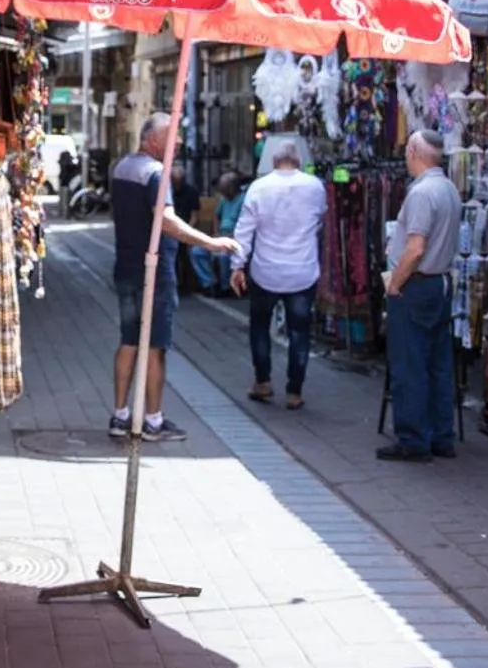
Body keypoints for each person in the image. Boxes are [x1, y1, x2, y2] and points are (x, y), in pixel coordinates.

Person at [109, 114, 239, 442]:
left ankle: (120, 414)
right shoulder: (156, 173)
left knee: (128, 340)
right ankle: (153, 421)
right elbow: (166, 221)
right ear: (153, 140)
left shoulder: (123, 167)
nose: (179, 142)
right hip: (152, 272)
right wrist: (210, 243)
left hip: (125, 267)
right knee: (155, 346)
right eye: (173, 136)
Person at [382, 129, 462, 461]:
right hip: (440, 283)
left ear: (415, 151)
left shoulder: (422, 193)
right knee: (438, 364)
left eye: (406, 150)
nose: (404, 156)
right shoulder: (449, 189)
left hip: (417, 284)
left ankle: (413, 439)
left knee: (410, 364)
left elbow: (415, 249)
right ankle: (442, 436)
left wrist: (395, 283)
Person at [230, 142, 327, 410]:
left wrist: (237, 265)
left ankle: (263, 382)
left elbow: (244, 230)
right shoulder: (315, 187)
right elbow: (320, 219)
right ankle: (294, 391)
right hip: (302, 270)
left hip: (266, 270)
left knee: (260, 326)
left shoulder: (258, 188)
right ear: (297, 161)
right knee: (300, 331)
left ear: (273, 161)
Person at [189, 172, 244, 294]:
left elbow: (245, 224)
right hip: (221, 236)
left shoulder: (243, 200)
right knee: (196, 251)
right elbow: (216, 215)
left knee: (223, 257)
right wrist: (216, 231)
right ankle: (209, 283)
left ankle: (226, 287)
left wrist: (231, 237)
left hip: (235, 238)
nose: (222, 192)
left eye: (224, 189)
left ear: (232, 188)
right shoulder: (224, 200)